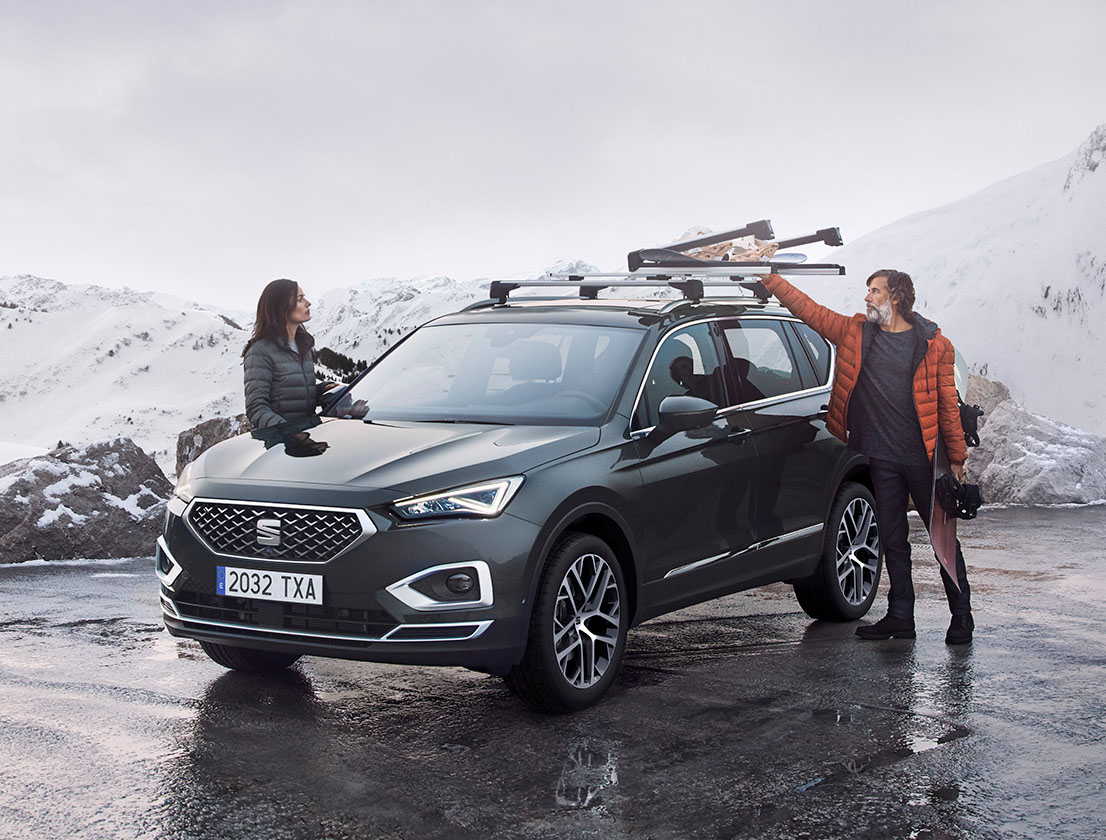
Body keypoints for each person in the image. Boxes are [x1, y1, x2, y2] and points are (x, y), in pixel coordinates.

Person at [762, 269, 974, 645]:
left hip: (925, 461)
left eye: (874, 291)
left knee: (943, 542)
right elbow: (811, 311)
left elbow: (947, 405)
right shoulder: (856, 333)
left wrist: (956, 457)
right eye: (868, 291)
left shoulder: (935, 345)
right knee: (893, 540)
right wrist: (770, 279)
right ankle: (900, 616)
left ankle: (961, 617)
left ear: (896, 297)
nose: (867, 297)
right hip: (882, 458)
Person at [242, 279, 336, 447]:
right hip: (282, 446)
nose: (308, 303)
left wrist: (324, 389)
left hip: (309, 437)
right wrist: (289, 433)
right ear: (281, 307)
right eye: (300, 299)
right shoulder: (260, 352)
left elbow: (293, 393)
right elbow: (256, 407)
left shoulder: (302, 346)